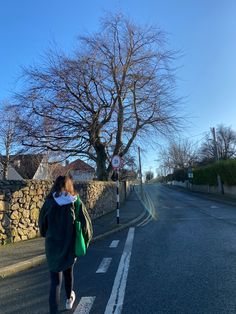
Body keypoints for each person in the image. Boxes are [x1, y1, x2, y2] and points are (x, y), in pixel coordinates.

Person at [39, 175, 92, 314]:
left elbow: (42, 227)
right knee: (68, 273)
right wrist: (85, 240)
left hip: (52, 247)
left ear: (55, 185)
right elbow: (86, 225)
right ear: (69, 185)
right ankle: (69, 300)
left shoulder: (49, 202)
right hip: (69, 246)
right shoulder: (75, 201)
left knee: (55, 282)